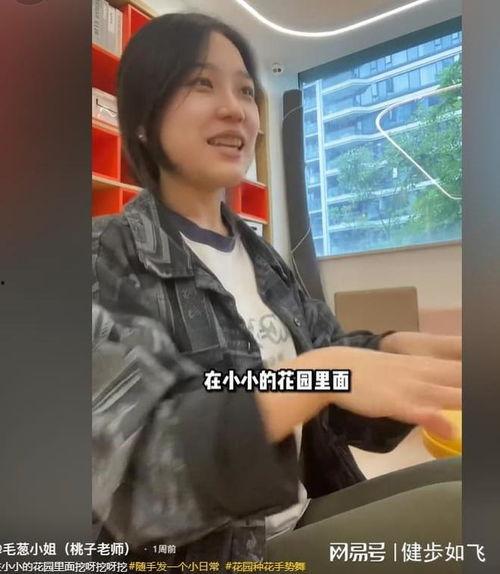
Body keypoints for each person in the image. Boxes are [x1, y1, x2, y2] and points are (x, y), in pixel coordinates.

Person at [92, 12, 462, 571]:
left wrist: (395, 349)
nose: (236, 108)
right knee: (457, 514)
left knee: (464, 481)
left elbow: (332, 365)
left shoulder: (263, 258)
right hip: (204, 555)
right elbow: (130, 480)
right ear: (143, 121)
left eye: (246, 90)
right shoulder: (104, 257)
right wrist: (318, 375)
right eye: (201, 83)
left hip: (302, 511)